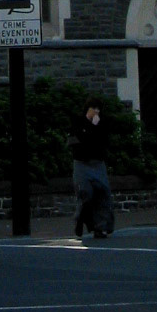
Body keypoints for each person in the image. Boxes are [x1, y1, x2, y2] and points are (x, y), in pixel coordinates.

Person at [70, 100, 114, 239]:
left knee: (102, 193)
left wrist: (95, 126)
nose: (96, 111)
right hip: (82, 163)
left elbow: (103, 141)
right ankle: (80, 220)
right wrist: (90, 127)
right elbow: (77, 141)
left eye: (98, 109)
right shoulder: (78, 122)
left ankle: (100, 227)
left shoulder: (102, 124)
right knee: (85, 193)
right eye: (93, 108)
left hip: (97, 163)